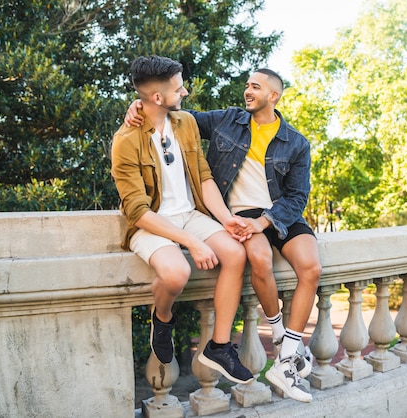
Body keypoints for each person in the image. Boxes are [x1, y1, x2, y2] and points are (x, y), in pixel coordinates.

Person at [125, 69, 321, 403]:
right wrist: (139, 104)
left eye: (255, 87)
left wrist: (267, 221)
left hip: (280, 215)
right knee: (257, 258)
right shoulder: (227, 120)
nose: (248, 91)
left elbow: (297, 197)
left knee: (311, 268)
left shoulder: (296, 142)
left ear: (274, 96)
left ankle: (287, 352)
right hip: (239, 213)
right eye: (247, 85)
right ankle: (280, 338)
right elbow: (175, 114)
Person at [112, 55, 253, 385]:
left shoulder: (185, 123)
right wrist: (192, 243)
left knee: (235, 253)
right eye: (179, 88)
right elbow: (136, 211)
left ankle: (219, 347)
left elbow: (203, 176)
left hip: (190, 214)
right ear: (158, 97)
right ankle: (162, 320)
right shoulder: (126, 141)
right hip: (151, 221)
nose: (185, 92)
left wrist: (226, 218)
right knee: (177, 273)